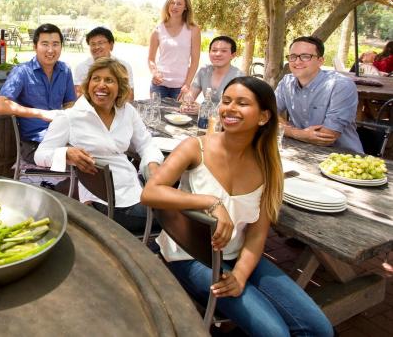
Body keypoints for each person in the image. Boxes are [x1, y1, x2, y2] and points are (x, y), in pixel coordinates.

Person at [142, 77, 333, 336]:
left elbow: (256, 234)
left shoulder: (269, 166)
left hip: (238, 255)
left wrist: (241, 275)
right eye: (227, 101)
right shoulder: (194, 146)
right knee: (275, 333)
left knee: (319, 328)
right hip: (188, 255)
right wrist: (210, 202)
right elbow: (150, 192)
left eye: (242, 103)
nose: (229, 109)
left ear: (264, 117)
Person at [35, 58, 164, 233]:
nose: (101, 85)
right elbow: (40, 155)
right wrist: (66, 153)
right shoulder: (70, 117)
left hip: (133, 186)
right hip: (108, 203)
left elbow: (146, 143)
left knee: (179, 192)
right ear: (88, 84)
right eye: (96, 79)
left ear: (120, 87)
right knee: (181, 215)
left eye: (109, 80)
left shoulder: (127, 112)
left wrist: (152, 165)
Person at [0, 23, 77, 163]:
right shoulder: (22, 71)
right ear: (35, 47)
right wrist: (40, 113)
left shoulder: (65, 70)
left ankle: (66, 184)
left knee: (96, 149)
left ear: (61, 47)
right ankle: (67, 183)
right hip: (34, 145)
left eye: (55, 44)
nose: (50, 50)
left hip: (62, 137)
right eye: (45, 44)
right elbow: (0, 106)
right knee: (80, 157)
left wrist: (67, 117)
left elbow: (70, 103)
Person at [275, 36, 364, 153]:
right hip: (302, 152)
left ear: (320, 61)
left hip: (343, 158)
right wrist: (297, 133)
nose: (297, 61)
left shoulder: (340, 85)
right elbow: (265, 114)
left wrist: (283, 128)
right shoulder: (286, 82)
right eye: (293, 57)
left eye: (305, 56)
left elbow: (326, 137)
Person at [148, 0, 201, 100]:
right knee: (156, 116)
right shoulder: (158, 29)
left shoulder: (193, 29)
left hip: (181, 87)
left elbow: (195, 61)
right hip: (159, 86)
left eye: (179, 3)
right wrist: (154, 72)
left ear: (185, 7)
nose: (175, 6)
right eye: (172, 3)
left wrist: (187, 84)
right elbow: (151, 59)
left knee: (178, 117)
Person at [181, 35, 243, 112]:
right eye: (214, 50)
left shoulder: (238, 77)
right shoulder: (204, 71)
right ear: (209, 53)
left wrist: (203, 109)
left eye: (224, 51)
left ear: (233, 55)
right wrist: (187, 101)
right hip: (203, 119)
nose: (218, 54)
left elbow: (233, 109)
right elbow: (191, 95)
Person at [73, 26, 135, 101]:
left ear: (111, 45)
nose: (96, 47)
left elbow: (129, 96)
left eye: (100, 43)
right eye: (93, 44)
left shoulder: (123, 66)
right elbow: (79, 95)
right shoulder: (82, 68)